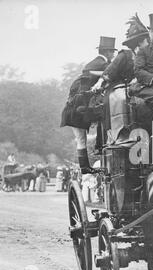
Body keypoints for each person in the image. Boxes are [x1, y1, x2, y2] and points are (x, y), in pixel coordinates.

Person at [60, 36, 117, 174]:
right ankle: (85, 168)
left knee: (82, 139)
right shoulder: (102, 64)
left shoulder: (95, 63)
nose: (114, 55)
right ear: (108, 52)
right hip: (76, 110)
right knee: (81, 139)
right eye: (112, 53)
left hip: (74, 108)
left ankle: (87, 166)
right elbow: (112, 72)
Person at [91, 14, 150, 142]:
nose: (148, 43)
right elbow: (111, 70)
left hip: (138, 87)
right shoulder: (125, 55)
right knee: (122, 99)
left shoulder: (147, 56)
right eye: (146, 40)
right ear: (139, 42)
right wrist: (100, 82)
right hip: (118, 88)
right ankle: (121, 135)